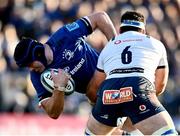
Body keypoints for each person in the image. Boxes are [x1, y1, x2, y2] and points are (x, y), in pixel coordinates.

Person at [84, 11, 177, 135]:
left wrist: (104, 106)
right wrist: (135, 103)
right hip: (139, 86)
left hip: (109, 92)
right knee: (168, 133)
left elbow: (94, 88)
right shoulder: (155, 44)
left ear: (121, 30)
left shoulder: (109, 46)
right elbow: (160, 85)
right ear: (143, 30)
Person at [13, 11, 117, 119]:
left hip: (110, 72)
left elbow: (100, 17)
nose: (31, 68)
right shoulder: (36, 76)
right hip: (99, 97)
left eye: (30, 64)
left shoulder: (64, 36)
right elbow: (53, 113)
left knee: (91, 92)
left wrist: (117, 45)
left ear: (37, 53)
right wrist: (59, 88)